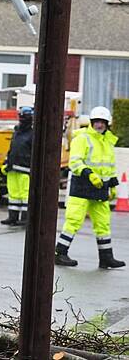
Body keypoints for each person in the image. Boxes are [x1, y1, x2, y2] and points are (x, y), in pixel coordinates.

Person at [55, 106, 124, 269]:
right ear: (91, 122)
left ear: (107, 124)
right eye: (96, 122)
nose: (99, 125)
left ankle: (106, 257)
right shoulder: (82, 138)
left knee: (103, 223)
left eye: (102, 122)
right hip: (82, 186)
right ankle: (60, 253)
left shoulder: (108, 141)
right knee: (73, 221)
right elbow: (75, 162)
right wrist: (90, 174)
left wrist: (113, 185)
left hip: (100, 188)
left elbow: (109, 166)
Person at [1, 107, 34, 226]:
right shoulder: (16, 132)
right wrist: (6, 163)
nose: (22, 120)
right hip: (12, 168)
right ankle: (12, 217)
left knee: (25, 195)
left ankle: (25, 218)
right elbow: (12, 150)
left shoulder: (32, 134)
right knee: (14, 194)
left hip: (25, 169)